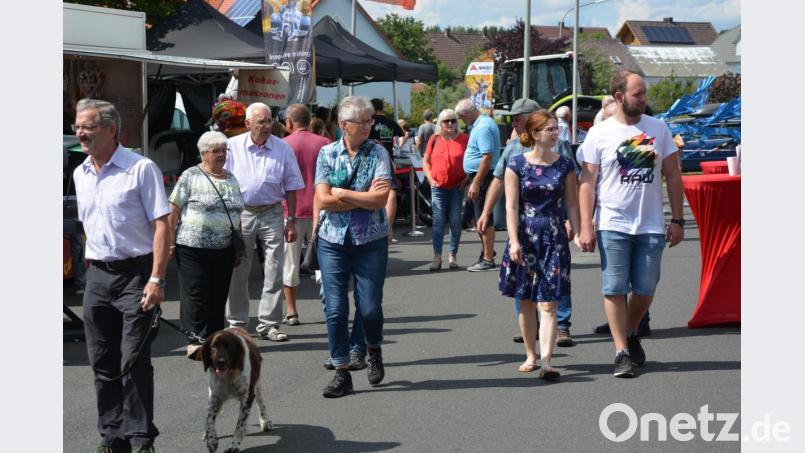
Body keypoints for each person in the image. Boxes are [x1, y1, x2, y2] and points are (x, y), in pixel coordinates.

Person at [72, 98, 170, 453]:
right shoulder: (79, 173)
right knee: (102, 360)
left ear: (111, 130)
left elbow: (162, 224)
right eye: (77, 127)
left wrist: (157, 279)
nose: (80, 133)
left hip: (136, 275)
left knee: (133, 361)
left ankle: (141, 438)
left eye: (88, 127)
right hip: (97, 276)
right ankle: (112, 436)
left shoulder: (140, 168)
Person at [577, 70, 685, 378]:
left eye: (644, 93)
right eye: (638, 93)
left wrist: (677, 219)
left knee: (646, 287)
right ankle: (621, 351)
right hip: (612, 222)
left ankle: (631, 328)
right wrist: (586, 224)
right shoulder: (599, 133)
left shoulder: (658, 128)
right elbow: (587, 181)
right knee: (613, 287)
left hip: (650, 223)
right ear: (620, 96)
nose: (644, 98)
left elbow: (674, 175)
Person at [316, 96, 392, 398]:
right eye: (361, 121)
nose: (368, 126)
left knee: (370, 307)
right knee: (335, 309)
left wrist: (341, 193)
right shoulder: (326, 153)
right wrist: (358, 196)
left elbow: (379, 201)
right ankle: (341, 371)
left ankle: (373, 348)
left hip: (370, 241)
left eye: (369, 120)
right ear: (343, 125)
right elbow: (322, 200)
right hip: (332, 241)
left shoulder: (379, 153)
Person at [499, 110, 581, 380]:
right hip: (524, 236)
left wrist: (578, 231)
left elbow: (572, 202)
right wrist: (512, 240)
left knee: (548, 303)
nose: (556, 133)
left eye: (557, 128)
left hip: (554, 236)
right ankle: (531, 354)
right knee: (525, 300)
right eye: (550, 129)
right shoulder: (516, 164)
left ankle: (547, 361)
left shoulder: (565, 165)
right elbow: (511, 206)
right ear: (535, 134)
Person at [225, 102, 305, 342]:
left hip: (272, 212)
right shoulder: (232, 147)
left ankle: (269, 323)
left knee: (274, 269)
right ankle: (237, 322)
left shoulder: (282, 148)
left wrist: (290, 220)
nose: (267, 126)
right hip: (242, 213)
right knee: (239, 268)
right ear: (248, 124)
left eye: (269, 120)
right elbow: (222, 181)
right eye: (261, 122)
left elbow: (292, 187)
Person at [168, 131, 244, 359]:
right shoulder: (191, 175)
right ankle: (196, 339)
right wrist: (169, 242)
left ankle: (214, 340)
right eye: (216, 151)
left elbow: (236, 213)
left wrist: (237, 247)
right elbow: (173, 209)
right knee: (196, 293)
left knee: (218, 294)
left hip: (225, 248)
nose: (221, 155)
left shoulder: (231, 178)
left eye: (224, 150)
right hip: (192, 247)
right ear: (203, 154)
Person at [281, 104, 331, 326]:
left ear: (289, 122)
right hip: (321, 208)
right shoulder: (324, 143)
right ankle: (330, 305)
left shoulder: (282, 145)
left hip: (290, 212)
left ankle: (291, 310)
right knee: (325, 260)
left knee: (290, 263)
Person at [455, 98, 501, 272]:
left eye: (461, 117)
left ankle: (488, 258)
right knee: (476, 216)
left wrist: (476, 182)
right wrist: (470, 179)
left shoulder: (482, 127)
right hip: (479, 176)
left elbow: (487, 157)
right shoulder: (480, 124)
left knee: (483, 217)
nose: (461, 121)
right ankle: (487, 252)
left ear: (466, 114)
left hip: (484, 177)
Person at [422, 109, 469, 271]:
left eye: (453, 120)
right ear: (439, 123)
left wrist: (467, 179)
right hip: (438, 187)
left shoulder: (465, 139)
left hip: (457, 187)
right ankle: (437, 257)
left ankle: (452, 255)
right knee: (438, 221)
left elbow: (473, 161)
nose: (449, 124)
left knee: (455, 220)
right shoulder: (434, 139)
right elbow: (426, 160)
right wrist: (429, 178)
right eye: (446, 121)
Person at [369, 98, 404, 243]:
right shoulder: (390, 122)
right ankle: (388, 227)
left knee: (371, 190)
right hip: (388, 158)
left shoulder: (369, 121)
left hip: (370, 157)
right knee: (391, 192)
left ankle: (374, 228)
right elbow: (401, 134)